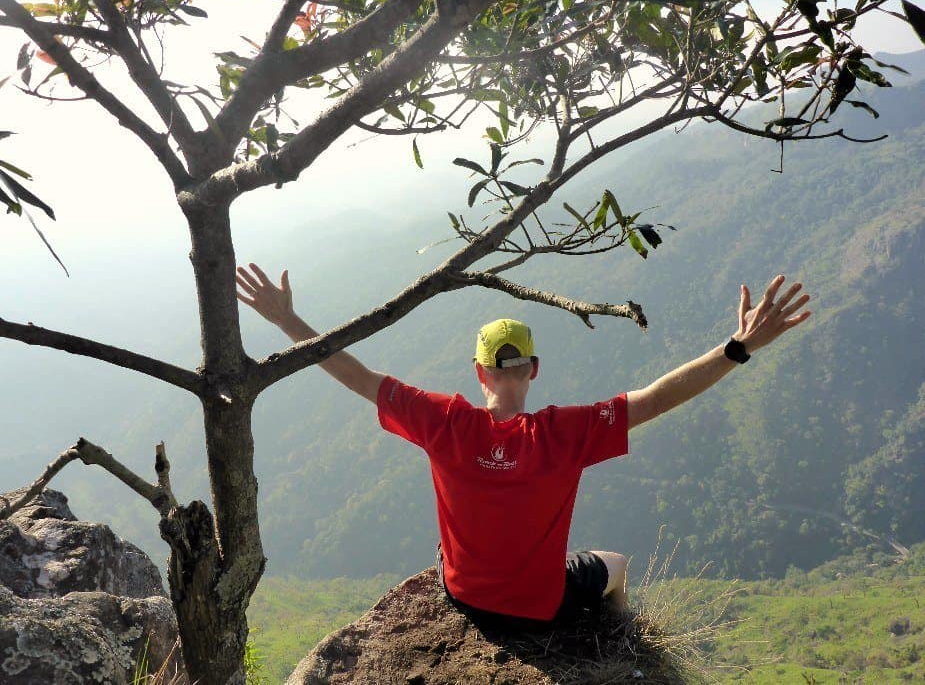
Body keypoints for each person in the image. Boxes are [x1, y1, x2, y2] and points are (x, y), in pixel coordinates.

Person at [236, 263, 811, 630]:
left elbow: (356, 376)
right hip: (541, 610)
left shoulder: (444, 422)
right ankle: (619, 639)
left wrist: (289, 323)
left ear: (480, 373)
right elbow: (658, 397)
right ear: (533, 369)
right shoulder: (565, 432)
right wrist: (738, 347)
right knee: (616, 563)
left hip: (462, 596)